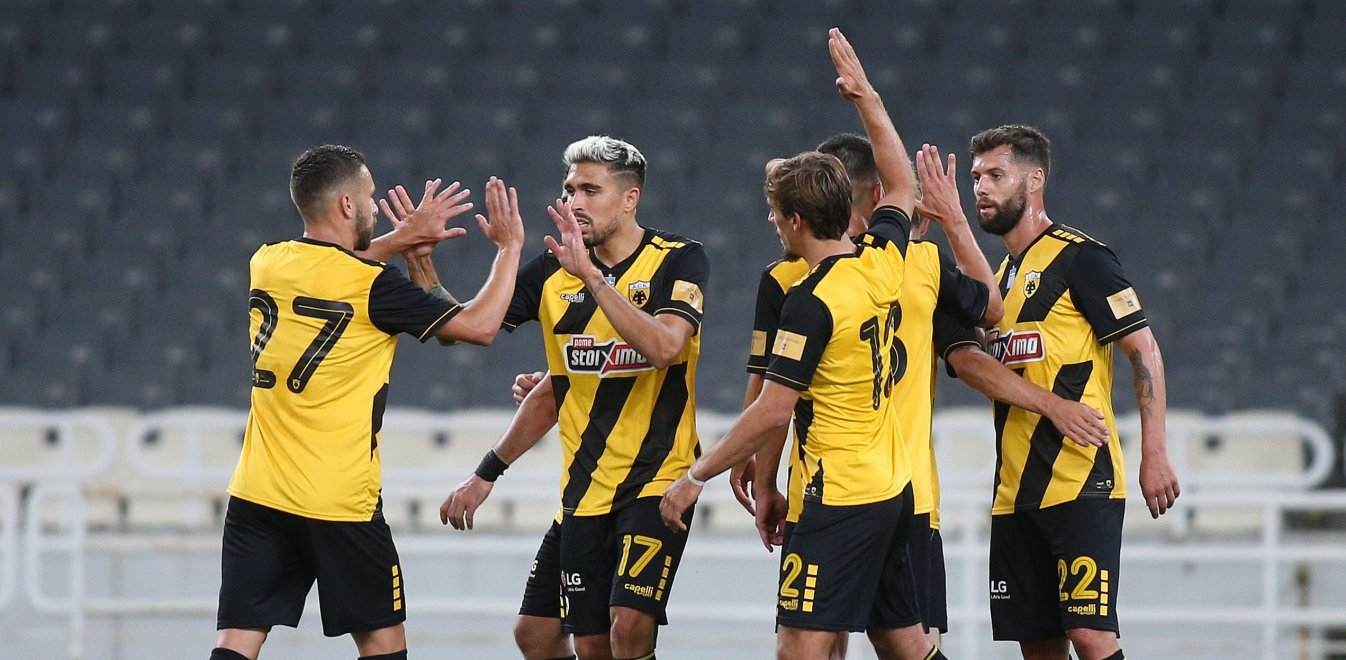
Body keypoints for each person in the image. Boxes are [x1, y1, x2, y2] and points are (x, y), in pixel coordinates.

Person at [211, 144, 525, 660]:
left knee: (236, 641)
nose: (375, 206)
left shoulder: (268, 261)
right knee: (382, 644)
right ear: (346, 206)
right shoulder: (374, 288)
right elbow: (479, 327)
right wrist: (509, 248)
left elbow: (333, 268)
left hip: (257, 494)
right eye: (370, 197)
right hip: (339, 502)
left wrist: (406, 243)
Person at [440, 135, 709, 660]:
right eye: (569, 190)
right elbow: (464, 331)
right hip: (584, 489)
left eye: (590, 190)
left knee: (627, 627)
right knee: (549, 637)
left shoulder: (679, 259)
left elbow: (664, 348)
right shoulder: (551, 272)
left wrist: (594, 278)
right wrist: (433, 262)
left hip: (657, 479)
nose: (574, 202)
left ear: (629, 199)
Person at [967, 124, 1181, 660]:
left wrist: (1154, 451)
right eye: (975, 177)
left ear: (1034, 180)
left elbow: (1143, 349)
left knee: (1089, 635)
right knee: (1038, 646)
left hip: (1081, 481)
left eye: (996, 175)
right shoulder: (999, 279)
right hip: (1014, 493)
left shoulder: (1081, 257)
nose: (981, 188)